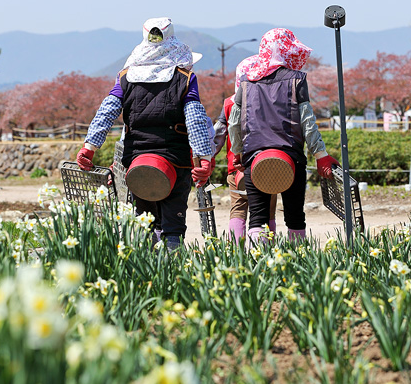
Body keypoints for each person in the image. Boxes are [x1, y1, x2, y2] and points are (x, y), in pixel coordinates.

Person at [76, 17, 214, 250]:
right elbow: (195, 118)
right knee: (173, 225)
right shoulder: (184, 78)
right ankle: (171, 270)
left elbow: (107, 111)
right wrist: (204, 158)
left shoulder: (125, 77)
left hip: (137, 160)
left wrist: (89, 147)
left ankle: (144, 272)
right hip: (175, 161)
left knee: (144, 221)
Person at [227, 28, 339, 242]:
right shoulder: (297, 79)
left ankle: (257, 262)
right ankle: (296, 260)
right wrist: (320, 154)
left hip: (254, 158)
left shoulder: (247, 82)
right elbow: (307, 122)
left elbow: (235, 122)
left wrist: (238, 153)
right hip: (291, 159)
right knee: (295, 217)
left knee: (257, 218)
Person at [213, 56, 277, 241]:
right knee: (268, 210)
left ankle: (236, 249)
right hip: (266, 165)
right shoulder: (270, 101)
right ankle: (265, 248)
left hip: (237, 167)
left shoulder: (229, 103)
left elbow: (218, 134)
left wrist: (207, 157)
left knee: (238, 207)